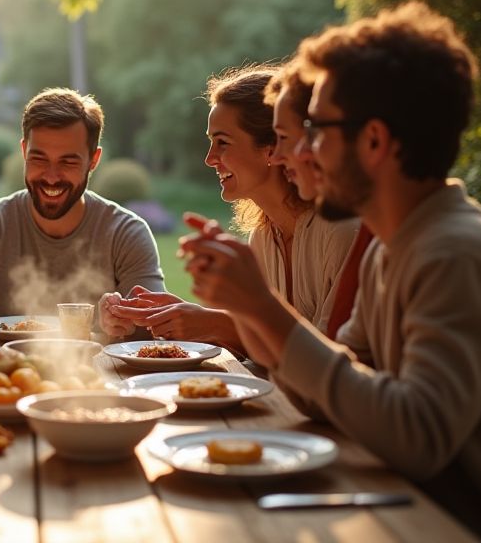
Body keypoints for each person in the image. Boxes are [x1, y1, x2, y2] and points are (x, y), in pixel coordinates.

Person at [181, 1, 481, 536]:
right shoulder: (394, 249)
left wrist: (265, 310)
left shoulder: (457, 254)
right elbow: (328, 398)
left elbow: (419, 437)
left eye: (317, 130)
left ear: (375, 141)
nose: (302, 153)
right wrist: (249, 311)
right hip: (397, 508)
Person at [102, 64, 358, 350]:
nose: (210, 158)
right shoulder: (262, 237)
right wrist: (187, 318)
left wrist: (215, 324)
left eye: (222, 142)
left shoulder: (339, 231)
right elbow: (263, 346)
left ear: (271, 148)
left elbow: (332, 361)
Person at [0, 87, 164, 332]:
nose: (52, 178)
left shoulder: (126, 233)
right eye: (39, 159)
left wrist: (124, 322)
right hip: (6, 369)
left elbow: (156, 325)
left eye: (68, 161)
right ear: (24, 151)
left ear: (93, 160)